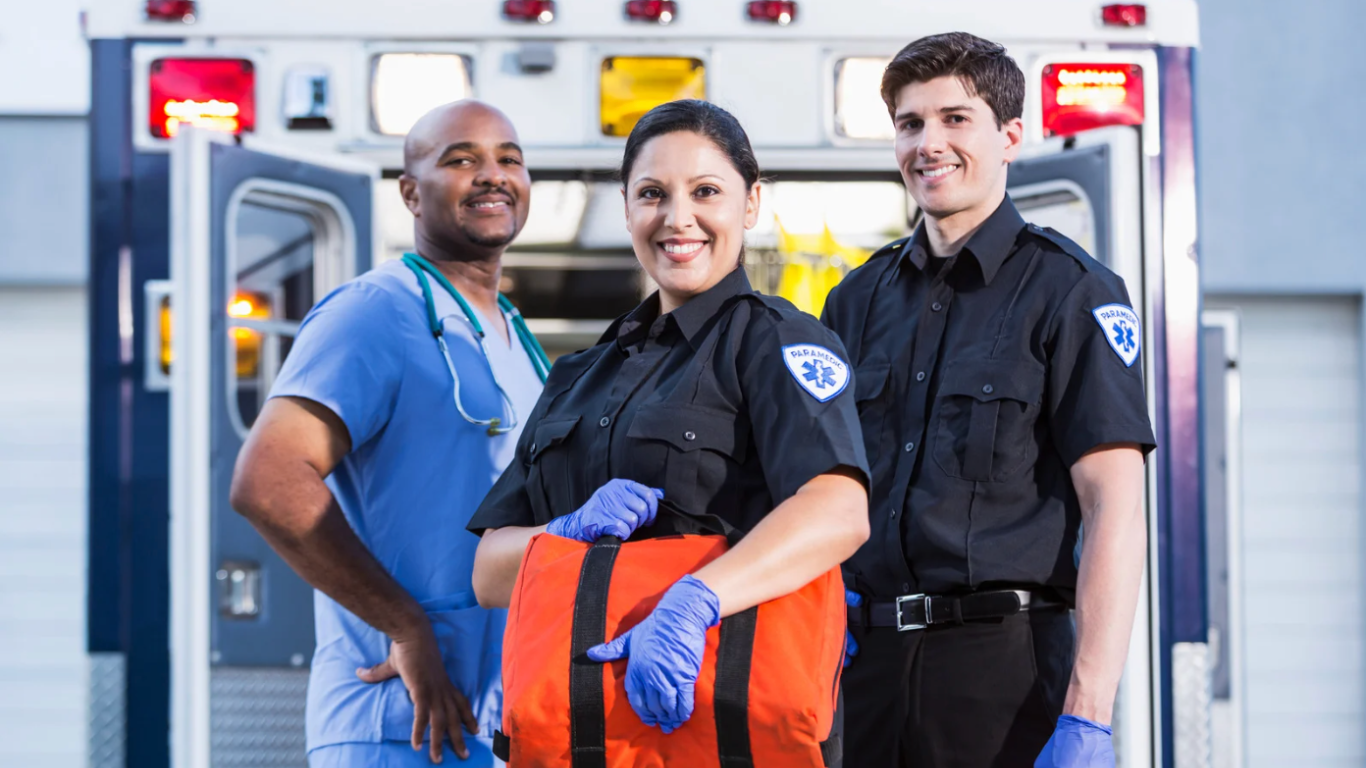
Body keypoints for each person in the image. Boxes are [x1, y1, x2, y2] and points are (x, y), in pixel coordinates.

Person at [465, 99, 870, 741]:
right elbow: (488, 573)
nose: (678, 218)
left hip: (727, 727)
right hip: (583, 733)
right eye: (653, 193)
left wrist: (697, 600)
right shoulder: (578, 376)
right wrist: (561, 533)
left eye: (706, 191)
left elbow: (838, 511)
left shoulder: (777, 341)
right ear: (627, 208)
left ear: (750, 203)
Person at [822, 33, 1156, 768]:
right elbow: (819, 491)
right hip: (862, 675)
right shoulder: (854, 300)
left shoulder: (1072, 291)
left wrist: (1089, 712)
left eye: (955, 119)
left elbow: (1115, 508)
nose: (928, 144)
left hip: (1003, 679)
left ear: (1010, 137)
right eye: (910, 123)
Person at [229, 100, 548, 767]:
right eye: (461, 159)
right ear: (410, 193)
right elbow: (268, 480)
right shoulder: (377, 311)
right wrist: (402, 625)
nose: (492, 175)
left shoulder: (515, 340)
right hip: (394, 725)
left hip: (491, 727)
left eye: (509, 159)